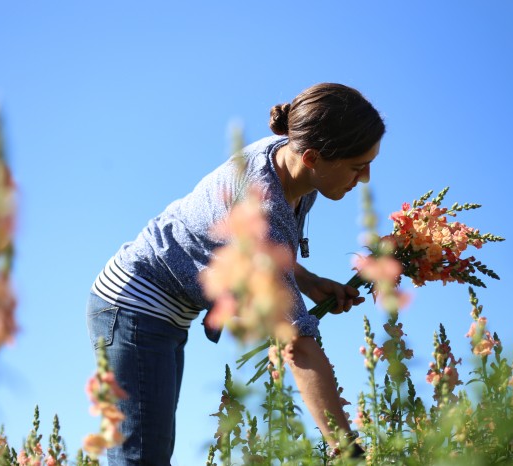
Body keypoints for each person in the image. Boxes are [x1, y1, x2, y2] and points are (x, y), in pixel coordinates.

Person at [86, 82, 385, 465]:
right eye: (358, 167)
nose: (365, 179)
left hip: (162, 311)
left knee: (149, 452)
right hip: (132, 306)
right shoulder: (261, 201)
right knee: (140, 457)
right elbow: (298, 344)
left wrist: (306, 282)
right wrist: (347, 450)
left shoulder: (290, 165)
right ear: (312, 157)